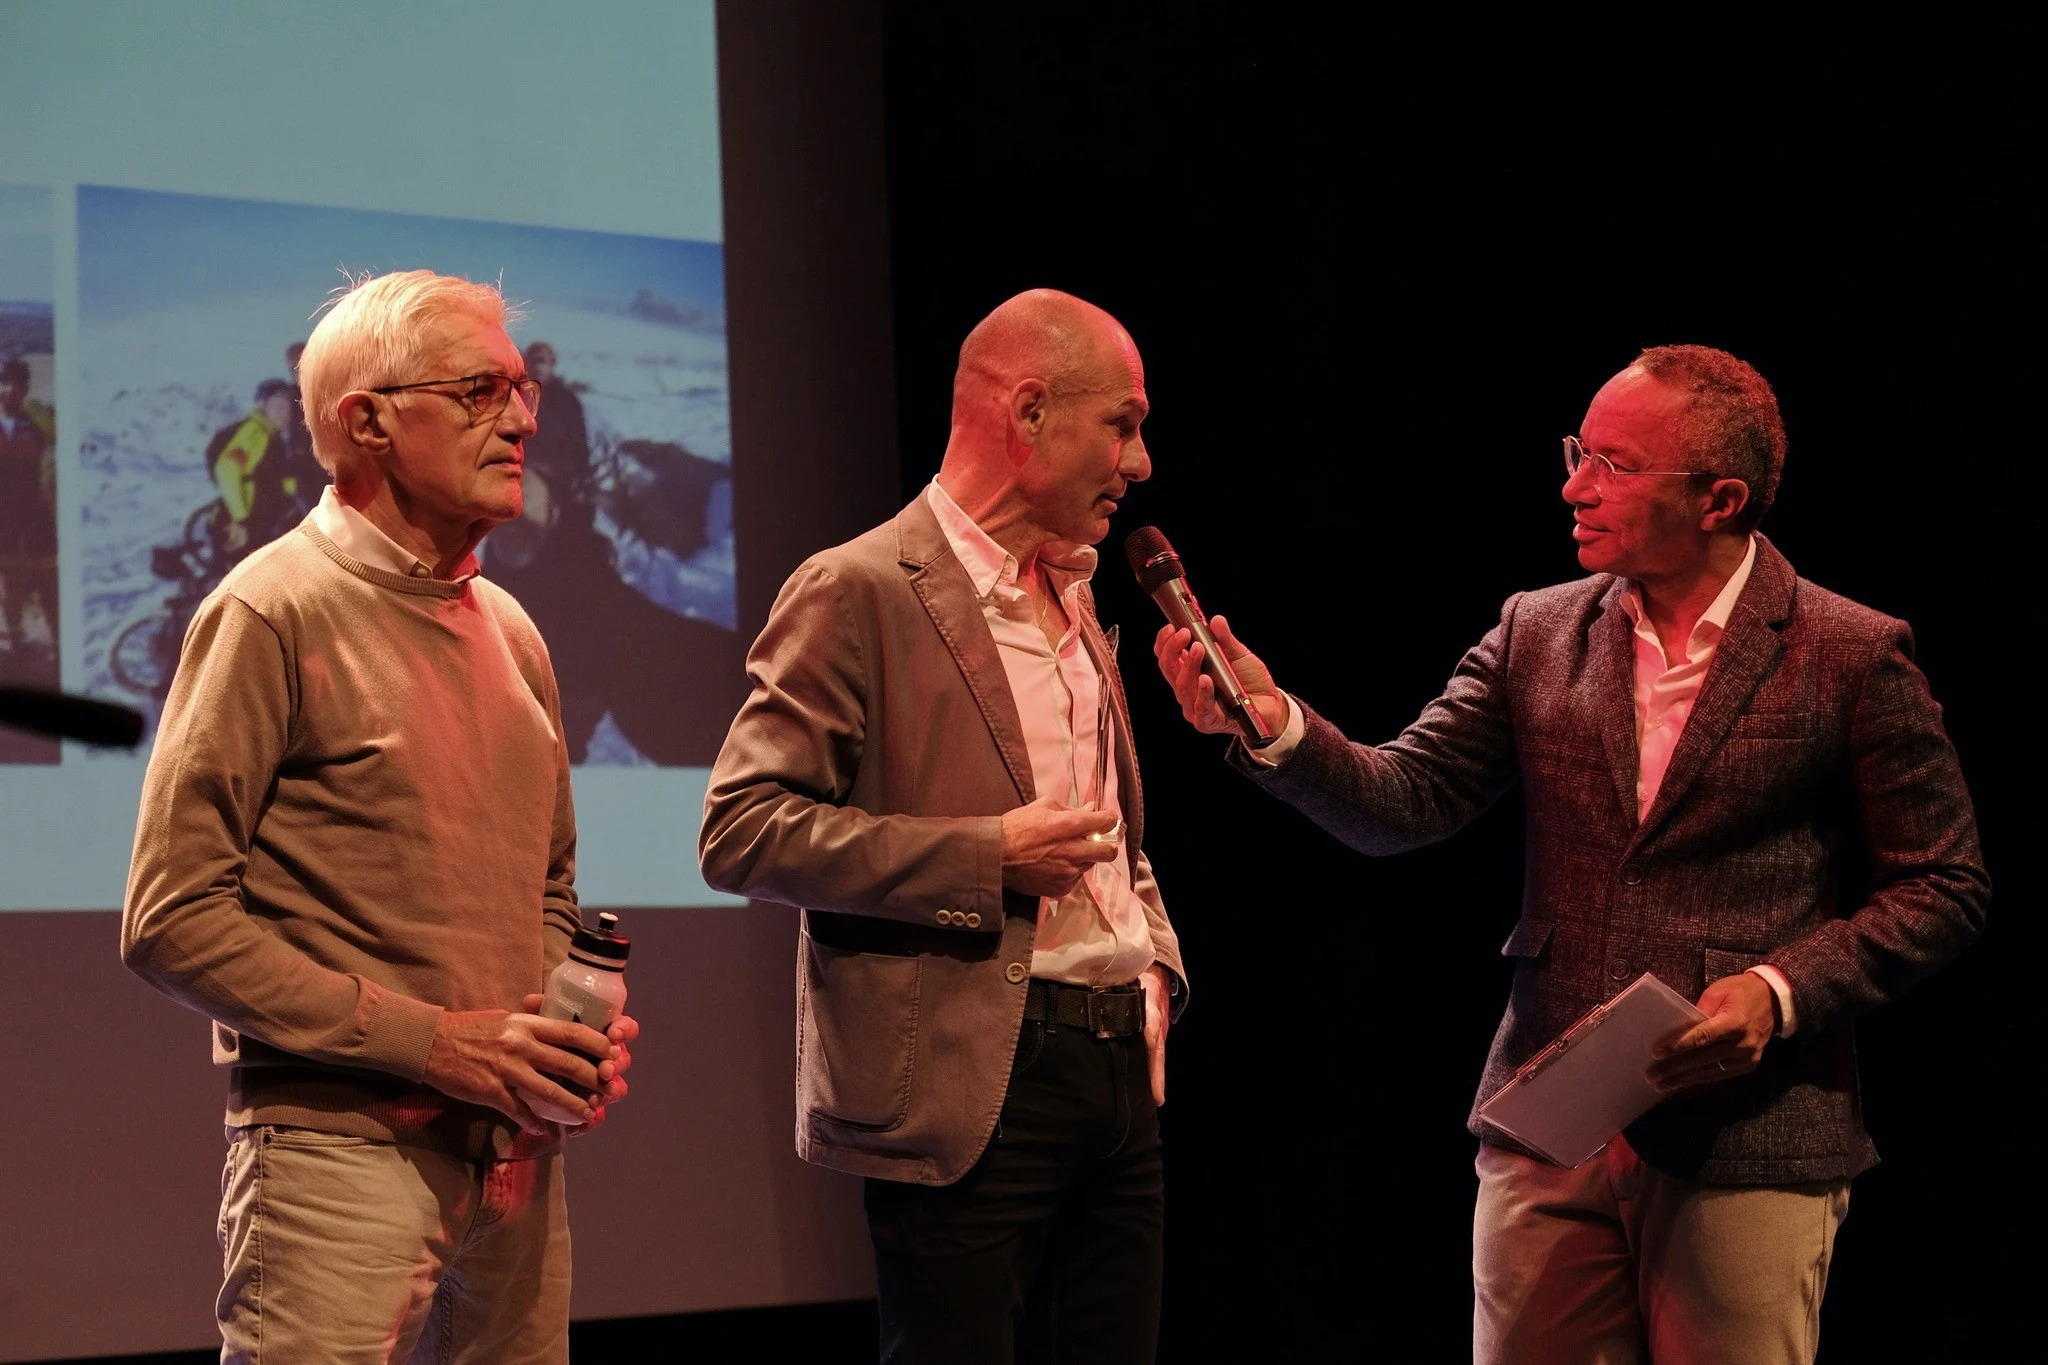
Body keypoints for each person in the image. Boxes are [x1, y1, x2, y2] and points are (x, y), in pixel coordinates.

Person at [1151, 345, 1989, 1364]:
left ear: (1719, 499)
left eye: (1612, 465)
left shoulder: (1848, 652)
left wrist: (1778, 992)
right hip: (1549, 1124)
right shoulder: (1537, 630)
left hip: (1746, 1136)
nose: (1573, 487)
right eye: (1575, 453)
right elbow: (1404, 801)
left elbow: (1942, 884)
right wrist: (1275, 724)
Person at [122, 269, 640, 1364]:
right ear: (367, 421)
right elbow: (170, 921)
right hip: (334, 1160)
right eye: (480, 391)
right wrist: (441, 1046)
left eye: (524, 390)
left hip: (516, 1161)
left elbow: (547, 887)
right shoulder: (269, 608)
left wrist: (560, 1037)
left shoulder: (514, 631)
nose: (523, 420)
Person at [700, 289, 1186, 1363]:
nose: (1140, 462)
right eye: (1122, 424)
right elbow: (741, 828)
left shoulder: (1073, 591)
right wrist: (984, 856)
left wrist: (1153, 962)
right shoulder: (857, 587)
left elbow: (1110, 829)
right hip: (974, 1084)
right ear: (1029, 413)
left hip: (1115, 1076)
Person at [206, 377, 313, 557]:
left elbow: (272, 477)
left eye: (288, 407)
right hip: (246, 522)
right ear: (262, 405)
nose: (284, 413)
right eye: (278, 405)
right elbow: (227, 469)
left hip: (259, 521)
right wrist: (241, 518)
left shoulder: (272, 437)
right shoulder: (255, 431)